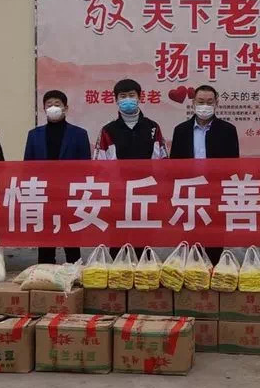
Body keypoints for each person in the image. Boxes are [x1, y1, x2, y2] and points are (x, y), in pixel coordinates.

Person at [95, 78, 167, 257]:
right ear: (116, 100)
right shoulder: (108, 130)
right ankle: (118, 270)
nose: (127, 99)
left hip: (145, 194)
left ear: (139, 97)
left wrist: (158, 189)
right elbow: (99, 164)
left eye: (131, 95)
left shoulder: (152, 127)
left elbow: (163, 161)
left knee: (143, 239)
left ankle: (144, 270)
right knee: (117, 240)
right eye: (123, 96)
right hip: (118, 195)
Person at [170, 84, 240, 265]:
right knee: (189, 240)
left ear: (217, 103)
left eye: (209, 102)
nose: (205, 106)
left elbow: (233, 166)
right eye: (201, 102)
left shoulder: (228, 130)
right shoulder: (181, 130)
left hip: (215, 194)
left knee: (214, 240)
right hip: (189, 194)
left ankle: (212, 272)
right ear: (193, 103)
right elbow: (174, 166)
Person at [24, 89, 90, 266]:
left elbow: (86, 166)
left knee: (71, 238)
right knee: (45, 238)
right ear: (44, 109)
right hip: (43, 194)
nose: (53, 107)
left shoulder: (79, 134)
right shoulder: (34, 135)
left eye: (57, 104)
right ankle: (45, 271)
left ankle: (75, 271)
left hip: (70, 193)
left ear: (65, 108)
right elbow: (27, 166)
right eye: (49, 104)